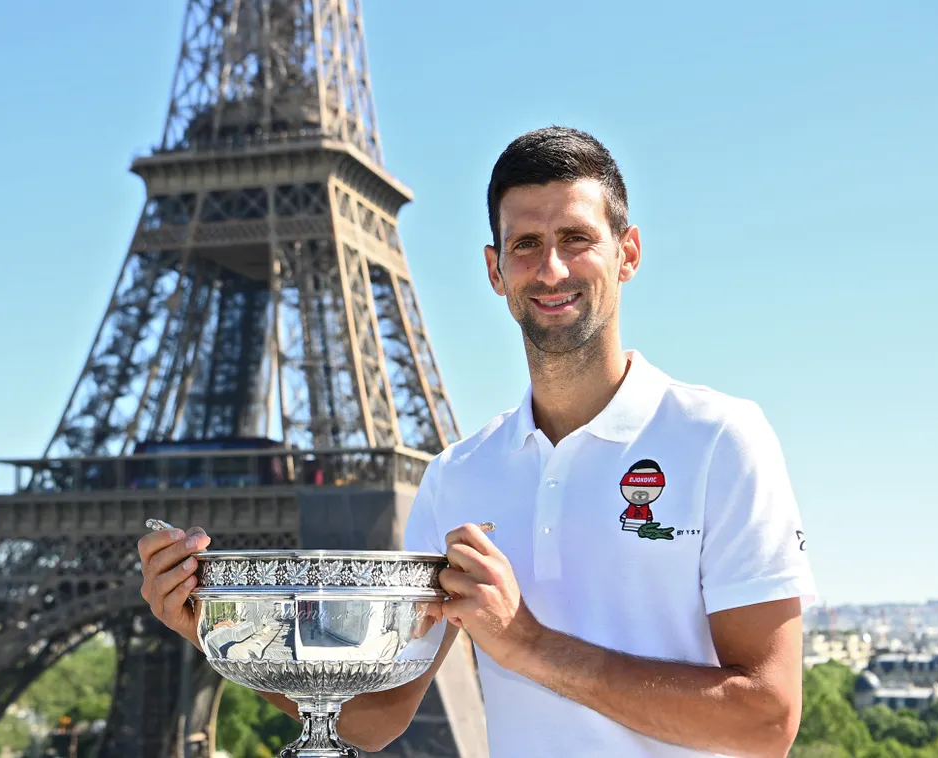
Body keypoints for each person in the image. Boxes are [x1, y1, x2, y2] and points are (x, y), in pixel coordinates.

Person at [138, 126, 817, 757]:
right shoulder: (457, 476)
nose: (549, 268)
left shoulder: (719, 439)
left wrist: (527, 645)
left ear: (627, 253)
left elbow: (765, 720)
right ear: (495, 271)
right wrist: (216, 632)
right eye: (525, 245)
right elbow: (377, 719)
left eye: (575, 238)